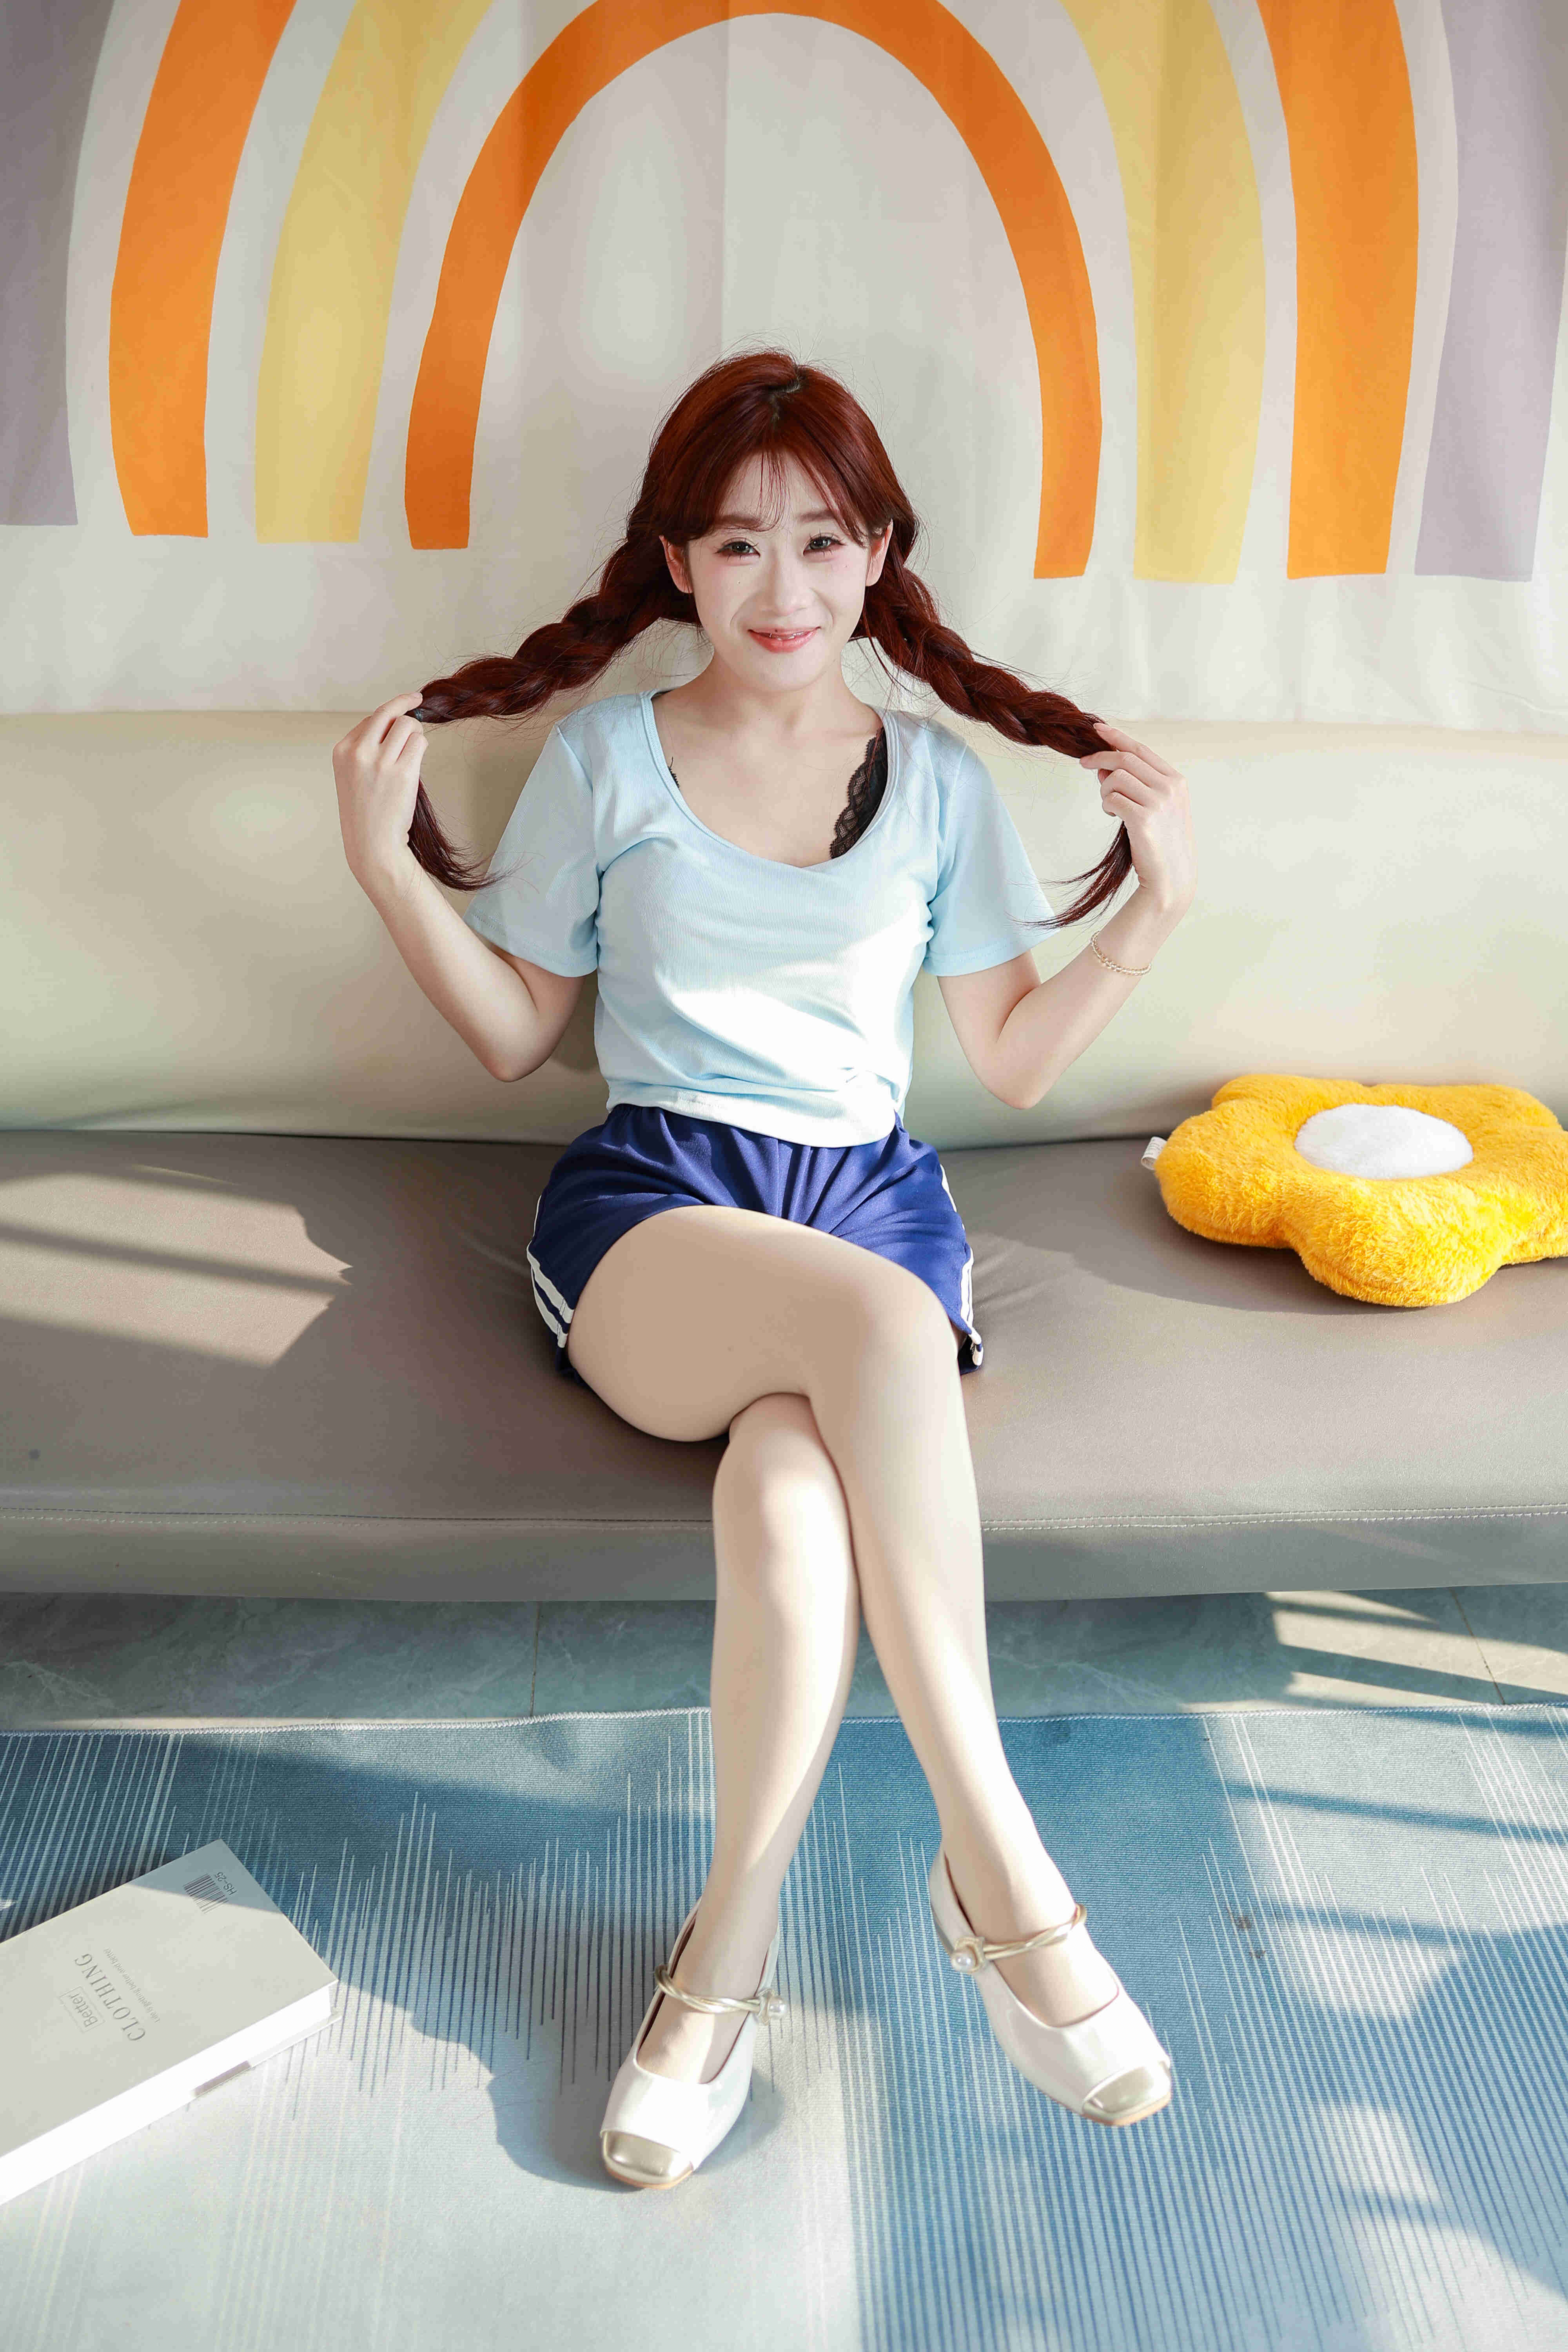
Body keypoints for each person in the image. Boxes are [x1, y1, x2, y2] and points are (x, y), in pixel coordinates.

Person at [332, 348, 1196, 2192]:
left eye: (820, 540)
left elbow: (1011, 1062)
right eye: (736, 545)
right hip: (660, 1206)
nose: (783, 588)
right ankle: (1005, 1881)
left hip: (866, 1203)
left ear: (878, 552)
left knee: (797, 1499)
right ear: (677, 564)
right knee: (878, 1326)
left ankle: (715, 1967)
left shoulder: (940, 784)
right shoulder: (606, 758)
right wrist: (388, 870)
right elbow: (517, 1035)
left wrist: (1155, 909)